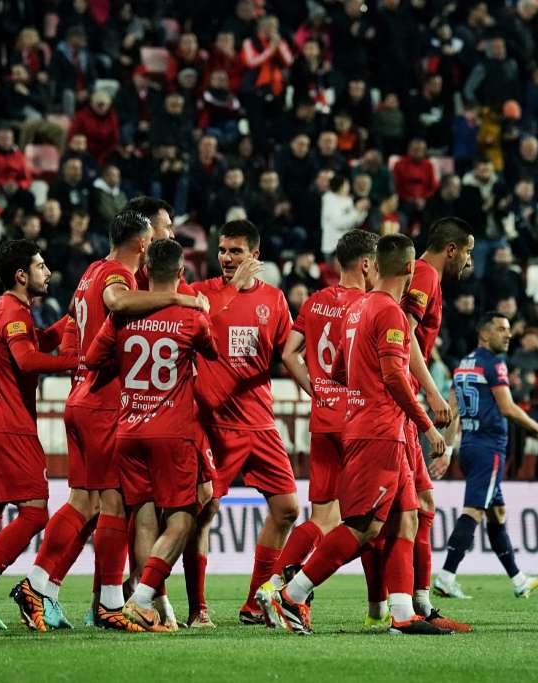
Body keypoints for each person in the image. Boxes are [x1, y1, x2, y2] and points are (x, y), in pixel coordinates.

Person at [13, 210, 207, 633]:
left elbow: (74, 315)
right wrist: (178, 299)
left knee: (84, 503)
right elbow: (117, 302)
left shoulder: (91, 271)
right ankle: (105, 602)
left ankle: (42, 585)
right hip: (104, 402)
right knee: (114, 504)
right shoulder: (118, 276)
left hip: (81, 396)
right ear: (142, 243)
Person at [267, 234, 450, 636]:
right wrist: (426, 423)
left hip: (370, 426)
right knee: (363, 527)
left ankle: (402, 614)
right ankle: (293, 593)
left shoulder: (357, 308)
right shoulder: (389, 312)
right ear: (409, 268)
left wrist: (357, 392)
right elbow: (394, 375)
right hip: (379, 432)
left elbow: (335, 370)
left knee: (406, 519)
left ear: (377, 265)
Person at [80, 239, 219, 631]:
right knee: (182, 520)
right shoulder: (191, 316)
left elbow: (92, 358)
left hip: (129, 430)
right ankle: (141, 600)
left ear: (145, 272)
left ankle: (148, 605)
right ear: (181, 273)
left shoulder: (122, 316)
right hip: (171, 433)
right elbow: (212, 352)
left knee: (143, 519)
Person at [0, 240, 78, 631]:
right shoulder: (14, 312)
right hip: (11, 425)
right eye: (40, 266)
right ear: (21, 275)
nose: (48, 272)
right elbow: (27, 359)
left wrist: (72, 318)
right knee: (35, 512)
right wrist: (76, 360)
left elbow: (34, 342)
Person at [189, 220, 298, 627]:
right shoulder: (201, 294)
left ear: (255, 255)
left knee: (287, 509)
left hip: (259, 420)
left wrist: (319, 390)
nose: (226, 257)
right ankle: (197, 608)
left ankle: (254, 603)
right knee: (203, 511)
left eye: (235, 251)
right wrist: (233, 290)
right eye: (222, 250)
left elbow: (289, 354)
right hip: (214, 423)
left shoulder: (275, 299)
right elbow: (198, 331)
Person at [264, 230, 379, 615]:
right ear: (367, 264)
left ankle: (272, 583)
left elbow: (288, 353)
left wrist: (317, 390)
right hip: (358, 421)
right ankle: (382, 606)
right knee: (372, 520)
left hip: (324, 418)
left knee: (323, 517)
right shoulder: (368, 305)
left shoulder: (315, 302)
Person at [433, 312, 538, 600]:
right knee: (473, 511)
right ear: (484, 334)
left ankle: (519, 580)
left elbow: (452, 411)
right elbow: (507, 408)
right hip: (489, 449)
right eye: (501, 329)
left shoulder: (463, 365)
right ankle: (446, 576)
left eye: (508, 329)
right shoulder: (494, 363)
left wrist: (448, 450)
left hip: (469, 447)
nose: (508, 334)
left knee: (497, 514)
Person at [397, 218, 475, 628]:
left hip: (404, 396)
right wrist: (431, 392)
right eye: (467, 252)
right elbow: (404, 333)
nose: (469, 261)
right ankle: (291, 588)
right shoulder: (426, 274)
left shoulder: (422, 275)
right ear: (451, 249)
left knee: (417, 507)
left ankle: (416, 604)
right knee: (375, 518)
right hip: (402, 399)